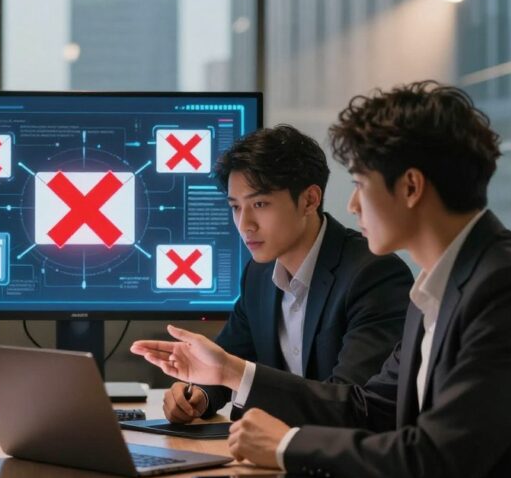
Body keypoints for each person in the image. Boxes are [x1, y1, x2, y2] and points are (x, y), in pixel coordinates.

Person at [133, 82, 511, 478]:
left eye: (360, 185)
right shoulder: (441, 284)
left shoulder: (508, 286)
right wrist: (231, 378)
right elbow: (368, 411)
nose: (353, 206)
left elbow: (438, 459)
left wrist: (288, 445)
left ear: (411, 187)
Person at [165, 125, 411, 424]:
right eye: (235, 207)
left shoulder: (373, 274)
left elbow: (354, 405)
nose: (245, 224)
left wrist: (232, 371)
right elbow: (228, 358)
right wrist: (196, 396)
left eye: (259, 204)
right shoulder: (258, 274)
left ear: (309, 200)